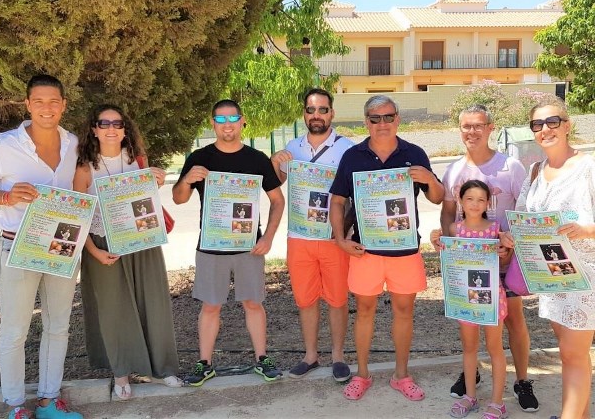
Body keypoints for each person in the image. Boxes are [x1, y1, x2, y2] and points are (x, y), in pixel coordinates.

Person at [0, 75, 83, 419]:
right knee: (15, 330)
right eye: (39, 101)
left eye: (54, 101)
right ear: (28, 105)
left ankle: (49, 401)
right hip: (17, 248)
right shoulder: (4, 145)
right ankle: (15, 406)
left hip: (61, 248)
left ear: (63, 105)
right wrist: (5, 196)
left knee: (59, 326)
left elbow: (81, 189)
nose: (47, 108)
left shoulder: (72, 143)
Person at [329, 95, 444, 401]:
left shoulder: (415, 153)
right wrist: (340, 239)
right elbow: (337, 200)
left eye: (388, 117)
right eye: (375, 118)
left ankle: (401, 375)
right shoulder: (353, 156)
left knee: (404, 311)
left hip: (405, 251)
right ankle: (362, 374)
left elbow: (437, 197)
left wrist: (430, 178)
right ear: (366, 121)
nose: (382, 123)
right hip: (365, 251)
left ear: (398, 119)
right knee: (364, 311)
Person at [430, 104, 539, 411]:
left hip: (505, 258)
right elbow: (448, 213)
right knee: (471, 321)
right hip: (469, 263)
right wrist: (451, 250)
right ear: (460, 129)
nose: (472, 132)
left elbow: (525, 210)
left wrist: (511, 245)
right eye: (466, 126)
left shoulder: (510, 166)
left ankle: (521, 381)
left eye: (478, 126)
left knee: (513, 320)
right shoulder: (454, 169)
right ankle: (472, 377)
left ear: (491, 128)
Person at [172, 99, 285, 386]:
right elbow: (178, 198)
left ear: (242, 121)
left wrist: (269, 237)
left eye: (232, 118)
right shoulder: (199, 157)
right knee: (211, 305)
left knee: (253, 303)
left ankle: (262, 359)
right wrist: (186, 180)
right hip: (211, 245)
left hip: (249, 246)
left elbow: (277, 200)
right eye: (220, 120)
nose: (227, 125)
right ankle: (205, 363)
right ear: (213, 124)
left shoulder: (257, 159)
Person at [73, 104, 181, 400]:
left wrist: (155, 181)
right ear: (93, 129)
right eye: (103, 123)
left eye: (117, 123)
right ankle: (121, 372)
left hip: (143, 241)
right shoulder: (85, 168)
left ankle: (161, 369)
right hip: (103, 245)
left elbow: (145, 204)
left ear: (125, 129)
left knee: (154, 302)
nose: (111, 128)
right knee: (114, 308)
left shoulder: (138, 160)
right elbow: (77, 215)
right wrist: (93, 251)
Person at [502, 100, 595, 419]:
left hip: (585, 278)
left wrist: (585, 229)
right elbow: (526, 215)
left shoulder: (589, 166)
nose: (545, 129)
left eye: (552, 122)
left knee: (571, 354)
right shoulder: (536, 171)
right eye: (538, 125)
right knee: (573, 354)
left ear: (568, 125)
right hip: (551, 275)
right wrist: (513, 235)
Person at [270, 88, 354, 382]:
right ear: (304, 113)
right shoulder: (292, 146)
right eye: (310, 110)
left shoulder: (348, 148)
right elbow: (277, 180)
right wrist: (274, 161)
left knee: (337, 299)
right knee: (305, 300)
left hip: (334, 237)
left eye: (322, 110)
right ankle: (310, 356)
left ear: (332, 113)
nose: (315, 115)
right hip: (300, 236)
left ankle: (339, 357)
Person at [434, 180, 509, 419]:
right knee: (469, 347)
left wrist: (505, 251)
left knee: (495, 348)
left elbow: (505, 262)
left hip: (491, 298)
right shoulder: (454, 230)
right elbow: (448, 258)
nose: (475, 204)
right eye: (469, 199)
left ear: (488, 202)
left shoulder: (496, 229)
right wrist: (437, 242)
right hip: (465, 299)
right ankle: (470, 396)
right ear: (460, 201)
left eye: (480, 199)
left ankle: (498, 402)